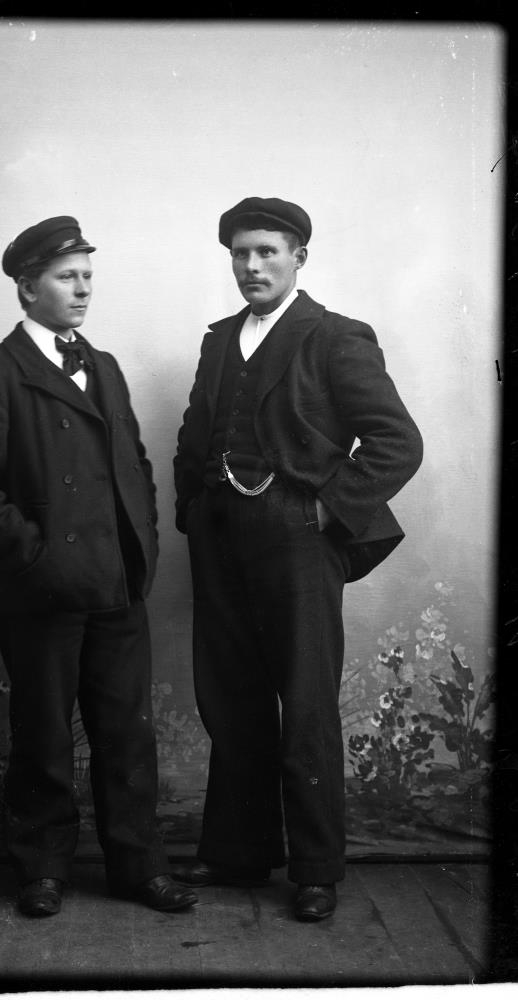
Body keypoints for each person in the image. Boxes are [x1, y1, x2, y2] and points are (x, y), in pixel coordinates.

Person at [0, 215, 196, 918]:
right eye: (65, 277)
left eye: (87, 277)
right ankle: (41, 869)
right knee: (45, 737)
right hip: (42, 594)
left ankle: (139, 868)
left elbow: (134, 466)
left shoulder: (103, 366)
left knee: (128, 736)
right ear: (27, 289)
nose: (82, 290)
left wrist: (141, 546)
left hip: (116, 586)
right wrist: (36, 556)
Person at [172, 196, 423, 921]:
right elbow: (195, 432)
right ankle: (238, 852)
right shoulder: (219, 340)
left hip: (298, 539)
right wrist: (194, 507)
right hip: (221, 537)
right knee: (230, 697)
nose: (251, 266)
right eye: (240, 253)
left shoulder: (335, 336)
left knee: (306, 701)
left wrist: (323, 510)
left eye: (267, 252)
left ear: (298, 258)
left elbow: (397, 441)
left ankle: (316, 868)